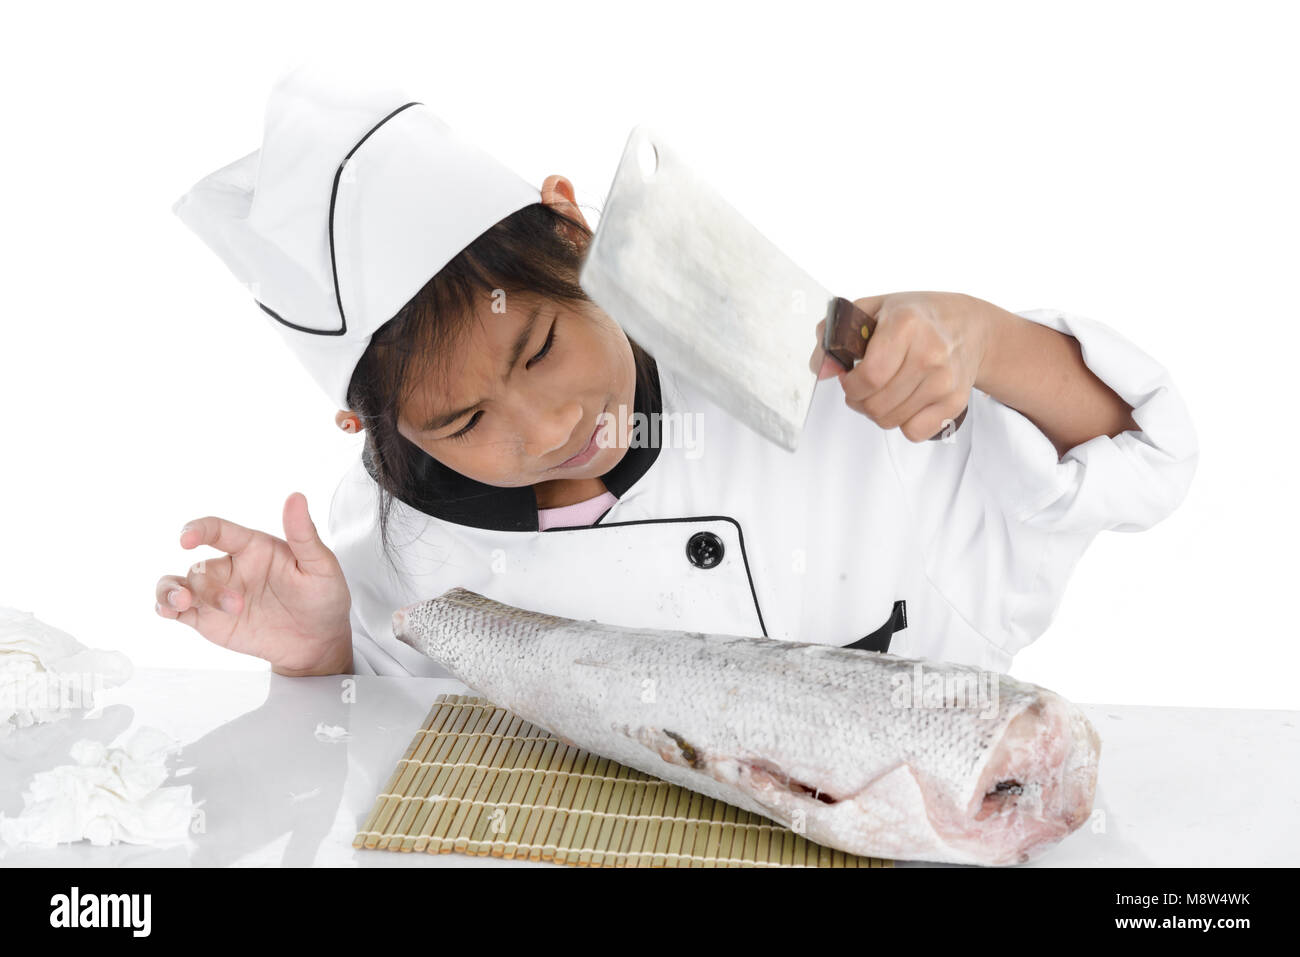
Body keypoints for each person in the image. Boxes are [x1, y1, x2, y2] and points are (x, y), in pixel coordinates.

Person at [156, 65, 1198, 678]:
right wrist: (325, 643)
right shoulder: (411, 538)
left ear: (574, 224)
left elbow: (1137, 457)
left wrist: (982, 338)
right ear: (374, 437)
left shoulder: (830, 393)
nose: (545, 425)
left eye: (541, 346)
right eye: (466, 419)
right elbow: (400, 700)